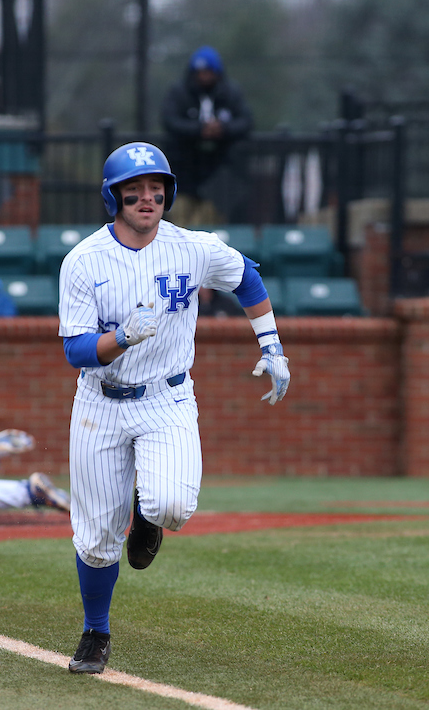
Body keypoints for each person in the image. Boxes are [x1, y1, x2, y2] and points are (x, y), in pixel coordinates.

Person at [57, 141, 290, 674]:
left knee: (172, 508)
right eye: (134, 191)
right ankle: (96, 631)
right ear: (113, 198)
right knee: (95, 540)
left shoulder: (192, 247)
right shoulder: (84, 260)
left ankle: (145, 515)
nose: (146, 199)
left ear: (169, 195)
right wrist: (119, 339)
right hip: (102, 402)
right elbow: (75, 351)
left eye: (155, 191)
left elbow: (246, 277)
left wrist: (271, 345)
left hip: (168, 396)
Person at [160, 45, 253, 227]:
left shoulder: (231, 92)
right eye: (200, 72)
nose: (204, 77)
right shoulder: (179, 92)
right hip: (183, 171)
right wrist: (199, 129)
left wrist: (222, 129)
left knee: (209, 228)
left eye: (208, 72)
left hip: (220, 172)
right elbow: (169, 121)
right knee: (180, 225)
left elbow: (246, 121)